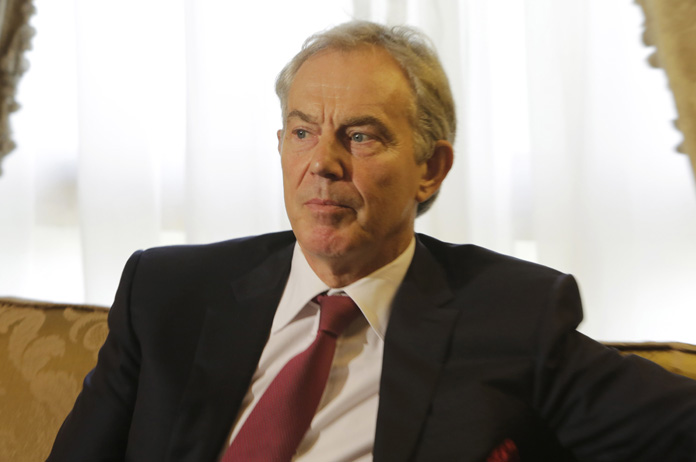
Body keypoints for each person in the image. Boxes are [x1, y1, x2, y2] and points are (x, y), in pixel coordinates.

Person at [47, 21, 696, 461]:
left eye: (360, 136)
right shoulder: (168, 295)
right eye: (302, 132)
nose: (322, 164)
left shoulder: (509, 316)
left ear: (430, 168)